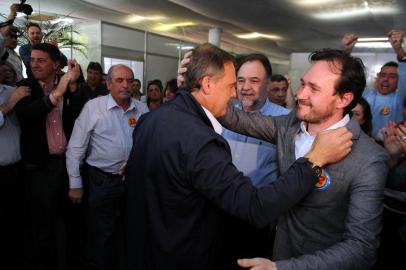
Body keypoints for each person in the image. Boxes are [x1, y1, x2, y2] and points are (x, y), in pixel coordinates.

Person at [125, 43, 353, 270]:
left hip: (144, 248)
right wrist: (314, 160)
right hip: (183, 253)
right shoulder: (201, 142)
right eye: (233, 84)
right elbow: (255, 207)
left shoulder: (152, 119)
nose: (235, 93)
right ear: (206, 84)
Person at [210, 48, 389, 270]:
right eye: (303, 84)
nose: (300, 94)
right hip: (271, 248)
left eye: (313, 89)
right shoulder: (288, 125)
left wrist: (282, 268)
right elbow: (237, 119)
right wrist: (200, 86)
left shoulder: (368, 158)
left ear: (344, 99)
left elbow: (361, 248)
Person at [66, 64, 149, 270]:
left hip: (134, 181)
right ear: (108, 83)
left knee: (133, 229)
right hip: (102, 180)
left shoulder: (143, 109)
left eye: (129, 81)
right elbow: (76, 146)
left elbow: (150, 144)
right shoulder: (93, 108)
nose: (126, 85)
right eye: (119, 80)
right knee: (103, 232)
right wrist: (75, 182)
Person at [14, 43, 82, 270]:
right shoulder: (25, 86)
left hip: (66, 165)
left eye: (41, 60)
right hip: (40, 169)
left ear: (56, 64)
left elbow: (79, 117)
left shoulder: (65, 85)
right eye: (32, 60)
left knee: (71, 220)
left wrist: (72, 88)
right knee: (42, 227)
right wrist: (57, 94)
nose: (34, 64)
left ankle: (70, 261)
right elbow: (27, 114)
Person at [341, 30, 406, 140]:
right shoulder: (365, 94)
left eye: (392, 76)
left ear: (399, 81)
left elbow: (405, 74)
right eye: (383, 75)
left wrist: (399, 51)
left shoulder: (399, 98)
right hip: (359, 143)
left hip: (389, 147)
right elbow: (345, 78)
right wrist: (345, 54)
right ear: (378, 76)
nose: (385, 79)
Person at [0, 82, 31, 268]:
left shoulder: (12, 90)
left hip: (19, 169)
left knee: (18, 221)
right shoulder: (12, 96)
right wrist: (9, 104)